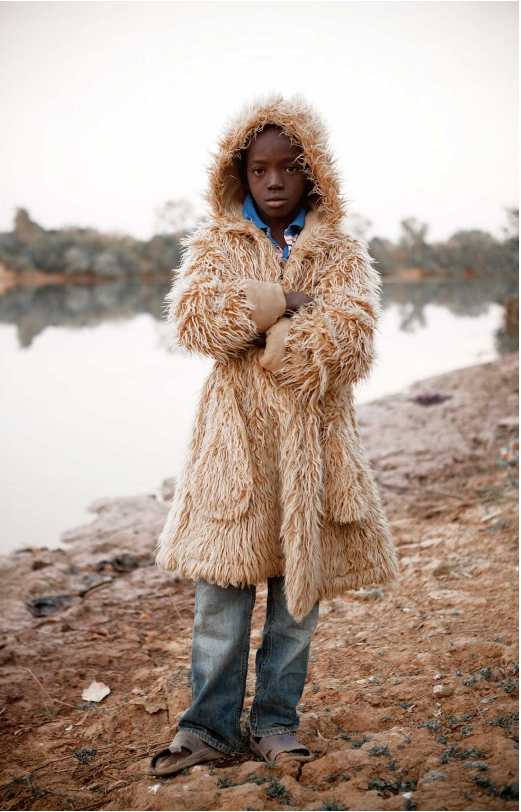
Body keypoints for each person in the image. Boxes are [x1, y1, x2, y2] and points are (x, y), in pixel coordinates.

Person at [151, 93, 400, 776]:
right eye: (259, 169)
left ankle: (274, 724)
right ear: (241, 173)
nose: (273, 181)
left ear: (311, 173)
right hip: (234, 447)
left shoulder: (340, 251)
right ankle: (205, 729)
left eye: (288, 168)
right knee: (220, 602)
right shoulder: (216, 244)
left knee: (296, 608)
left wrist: (282, 338)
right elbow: (198, 322)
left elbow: (351, 339)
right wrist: (281, 303)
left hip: (313, 451)